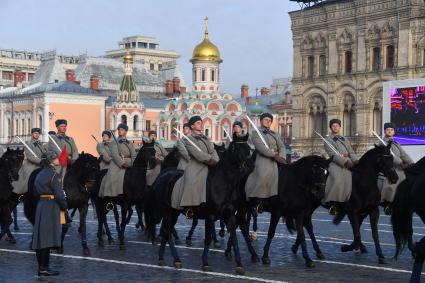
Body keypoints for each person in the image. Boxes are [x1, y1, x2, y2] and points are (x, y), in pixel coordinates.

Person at [32, 150, 67, 276]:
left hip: (41, 205)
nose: (58, 159)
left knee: (40, 238)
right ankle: (44, 268)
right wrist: (65, 206)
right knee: (47, 238)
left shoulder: (39, 174)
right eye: (55, 158)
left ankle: (42, 267)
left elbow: (35, 192)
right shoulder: (54, 175)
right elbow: (59, 195)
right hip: (51, 206)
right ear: (51, 160)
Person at [179, 116, 219, 218]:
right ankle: (188, 207)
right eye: (198, 123)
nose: (201, 124)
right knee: (191, 182)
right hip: (195, 167)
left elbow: (212, 150)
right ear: (192, 126)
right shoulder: (188, 139)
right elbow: (197, 154)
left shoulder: (206, 138)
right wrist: (210, 160)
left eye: (201, 122)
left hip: (211, 166)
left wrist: (216, 160)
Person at [245, 113, 285, 213]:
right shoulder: (256, 133)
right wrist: (274, 156)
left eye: (270, 120)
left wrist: (282, 157)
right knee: (263, 175)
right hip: (263, 160)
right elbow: (261, 147)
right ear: (261, 121)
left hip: (278, 160)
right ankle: (256, 202)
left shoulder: (275, 134)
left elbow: (282, 146)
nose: (268, 121)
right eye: (265, 119)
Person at [323, 118, 359, 215]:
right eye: (333, 126)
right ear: (331, 128)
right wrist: (344, 161)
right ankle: (332, 203)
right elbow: (332, 154)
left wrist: (356, 160)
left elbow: (351, 152)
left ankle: (347, 201)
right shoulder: (328, 140)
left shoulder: (345, 139)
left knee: (351, 181)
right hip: (336, 163)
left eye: (337, 126)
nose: (335, 127)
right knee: (336, 179)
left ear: (340, 127)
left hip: (349, 163)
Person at [378, 122, 414, 215]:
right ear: (385, 131)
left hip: (399, 168)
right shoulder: (382, 142)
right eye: (388, 130)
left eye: (391, 130)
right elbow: (389, 155)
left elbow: (403, 154)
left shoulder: (396, 142)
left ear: (394, 132)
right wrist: (401, 162)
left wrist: (412, 163)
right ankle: (387, 204)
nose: (389, 131)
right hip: (388, 168)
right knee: (392, 184)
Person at [99, 123, 136, 198]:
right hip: (118, 164)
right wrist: (122, 164)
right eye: (119, 129)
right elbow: (115, 155)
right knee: (112, 178)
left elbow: (134, 155)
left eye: (122, 129)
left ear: (126, 131)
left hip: (130, 163)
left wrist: (133, 163)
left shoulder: (129, 142)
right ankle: (110, 196)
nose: (119, 131)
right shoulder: (113, 142)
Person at [12, 128, 46, 198]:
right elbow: (30, 156)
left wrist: (46, 158)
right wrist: (40, 161)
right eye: (35, 133)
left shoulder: (41, 144)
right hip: (31, 165)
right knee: (29, 175)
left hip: (41, 165)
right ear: (32, 134)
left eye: (38, 133)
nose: (37, 135)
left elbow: (44, 153)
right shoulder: (28, 144)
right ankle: (23, 193)